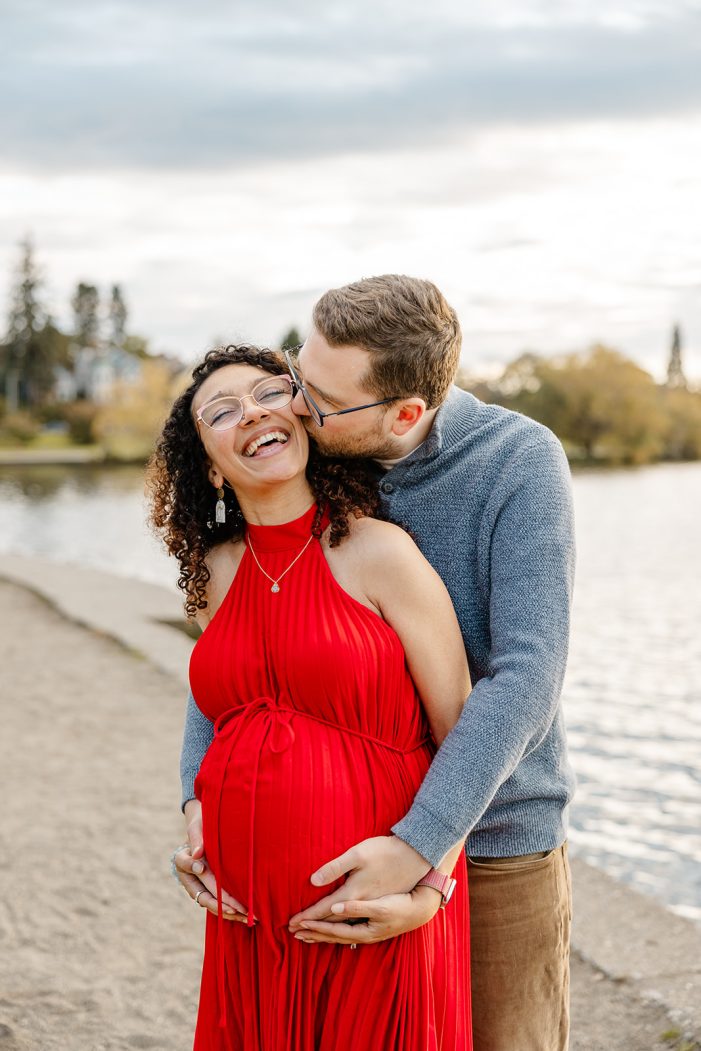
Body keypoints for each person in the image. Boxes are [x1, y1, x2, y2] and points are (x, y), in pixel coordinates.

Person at [175, 275, 576, 1051]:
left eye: (317, 400)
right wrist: (200, 800)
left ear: (403, 415)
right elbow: (246, 654)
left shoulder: (515, 461)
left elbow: (526, 679)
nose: (292, 408)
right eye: (297, 375)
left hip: (491, 839)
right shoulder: (322, 456)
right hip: (332, 863)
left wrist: (423, 852)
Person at [150, 343, 472, 1050]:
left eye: (271, 393)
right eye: (222, 411)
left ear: (302, 418)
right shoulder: (210, 576)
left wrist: (431, 886)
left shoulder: (381, 552)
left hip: (377, 907)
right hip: (247, 918)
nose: (252, 413)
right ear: (209, 464)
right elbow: (222, 713)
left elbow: (462, 732)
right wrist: (196, 812)